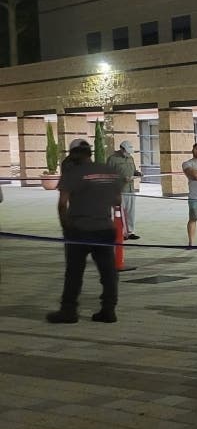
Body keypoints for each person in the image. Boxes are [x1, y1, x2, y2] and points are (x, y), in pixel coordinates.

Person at [46, 138, 121, 324]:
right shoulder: (109, 172)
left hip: (78, 229)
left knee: (74, 273)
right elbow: (117, 201)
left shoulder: (72, 173)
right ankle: (108, 310)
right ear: (90, 152)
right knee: (108, 272)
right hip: (104, 228)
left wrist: (66, 227)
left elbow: (62, 204)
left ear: (73, 154)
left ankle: (69, 311)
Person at [107, 140, 141, 240]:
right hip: (119, 191)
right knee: (120, 212)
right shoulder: (112, 159)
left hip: (130, 189)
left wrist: (137, 173)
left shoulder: (130, 158)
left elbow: (134, 171)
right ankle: (120, 232)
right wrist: (121, 178)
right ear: (121, 148)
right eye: (126, 151)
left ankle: (130, 232)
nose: (128, 153)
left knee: (131, 212)